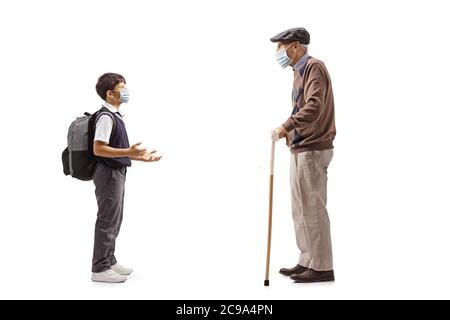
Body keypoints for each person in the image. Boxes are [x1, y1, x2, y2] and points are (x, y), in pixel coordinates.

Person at [270, 28, 336, 283]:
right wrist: (291, 134)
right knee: (300, 208)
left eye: (281, 46)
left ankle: (322, 266)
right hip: (301, 146)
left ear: (295, 46)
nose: (279, 52)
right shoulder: (298, 71)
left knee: (313, 207)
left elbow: (314, 106)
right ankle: (307, 260)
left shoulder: (313, 67)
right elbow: (303, 107)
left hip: (314, 147)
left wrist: (286, 126)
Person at [91, 72, 162, 283]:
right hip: (107, 174)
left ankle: (109, 260)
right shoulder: (105, 116)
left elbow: (118, 150)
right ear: (110, 93)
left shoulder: (115, 116)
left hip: (116, 172)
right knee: (107, 219)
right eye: (122, 88)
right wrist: (128, 152)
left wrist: (138, 156)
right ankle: (100, 268)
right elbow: (99, 149)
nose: (126, 91)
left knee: (115, 218)